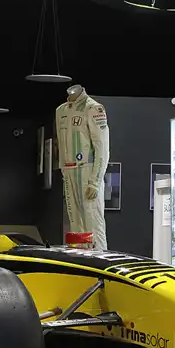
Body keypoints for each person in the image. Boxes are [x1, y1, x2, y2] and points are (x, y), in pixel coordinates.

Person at [55, 85, 110, 250]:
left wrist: (95, 181)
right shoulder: (61, 111)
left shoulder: (93, 108)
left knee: (93, 224)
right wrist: (64, 171)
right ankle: (79, 261)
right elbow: (60, 143)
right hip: (69, 172)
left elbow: (102, 147)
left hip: (87, 170)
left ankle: (100, 260)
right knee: (75, 226)